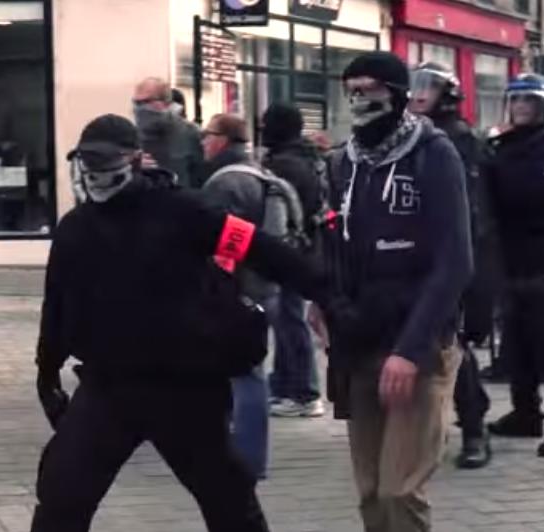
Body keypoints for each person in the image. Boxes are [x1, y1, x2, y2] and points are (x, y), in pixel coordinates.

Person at [32, 114, 325, 532]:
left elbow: (259, 249)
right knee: (62, 497)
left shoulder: (184, 212)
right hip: (108, 388)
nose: (96, 176)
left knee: (228, 501)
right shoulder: (76, 228)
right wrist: (46, 371)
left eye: (107, 164)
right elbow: (57, 302)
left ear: (135, 160)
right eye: (89, 165)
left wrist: (326, 292)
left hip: (186, 389)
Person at [321, 52, 473, 532]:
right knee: (370, 491)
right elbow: (331, 243)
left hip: (418, 346)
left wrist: (410, 350)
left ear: (399, 94)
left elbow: (455, 261)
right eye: (351, 90)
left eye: (370, 89)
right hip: (360, 341)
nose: (359, 100)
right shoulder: (342, 163)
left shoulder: (433, 153)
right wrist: (320, 299)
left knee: (399, 489)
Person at [484, 73, 544, 457]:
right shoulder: (505, 145)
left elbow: (541, 196)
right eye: (516, 100)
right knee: (516, 335)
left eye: (530, 101)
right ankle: (525, 413)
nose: (522, 107)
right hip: (511, 253)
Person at [201, 113, 305, 480]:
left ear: (223, 141)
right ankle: (245, 455)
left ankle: (243, 459)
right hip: (268, 286)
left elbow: (222, 239)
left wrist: (216, 286)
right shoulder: (267, 178)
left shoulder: (225, 183)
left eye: (207, 135)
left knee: (242, 374)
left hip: (237, 289)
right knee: (251, 369)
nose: (203, 142)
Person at [409, 62, 493, 469]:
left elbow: (473, 208)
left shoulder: (458, 140)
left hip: (450, 252)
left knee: (453, 343)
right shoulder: (406, 135)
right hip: (410, 252)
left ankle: (474, 428)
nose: (419, 94)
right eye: (416, 86)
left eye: (429, 87)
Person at [259, 102, 327, 418]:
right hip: (306, 249)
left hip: (290, 252)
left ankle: (303, 392)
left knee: (290, 321)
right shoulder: (306, 158)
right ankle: (287, 387)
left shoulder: (284, 165)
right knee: (287, 319)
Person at [132, 77, 204, 188]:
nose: (139, 108)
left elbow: (202, 175)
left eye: (146, 102)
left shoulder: (191, 134)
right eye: (136, 102)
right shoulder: (129, 136)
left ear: (166, 103)